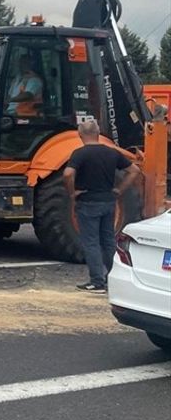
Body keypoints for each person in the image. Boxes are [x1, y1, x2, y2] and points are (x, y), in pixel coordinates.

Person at [64, 119, 141, 293]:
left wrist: (72, 192)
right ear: (98, 134)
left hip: (88, 202)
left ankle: (97, 282)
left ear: (80, 134)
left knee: (91, 243)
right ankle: (114, 278)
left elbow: (68, 174)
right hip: (109, 202)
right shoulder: (112, 153)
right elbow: (135, 171)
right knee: (108, 241)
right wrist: (119, 190)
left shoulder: (80, 153)